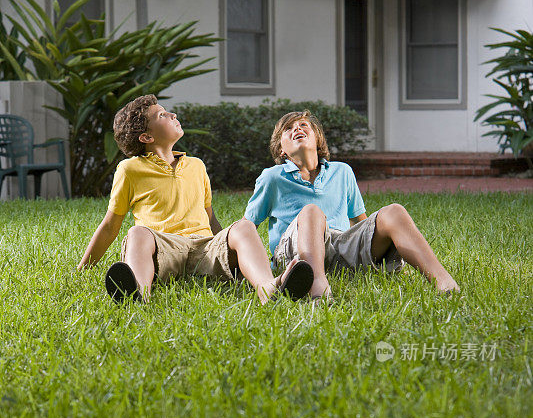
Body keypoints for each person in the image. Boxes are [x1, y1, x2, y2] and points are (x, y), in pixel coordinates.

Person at [78, 95, 314, 304]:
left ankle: (268, 288)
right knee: (137, 233)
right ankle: (138, 293)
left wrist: (229, 243)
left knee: (242, 227)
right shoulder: (130, 169)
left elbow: (210, 217)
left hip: (204, 248)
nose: (173, 114)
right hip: (164, 249)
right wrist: (84, 268)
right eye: (162, 114)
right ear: (146, 136)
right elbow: (111, 225)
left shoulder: (196, 166)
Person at [244, 110, 460, 300]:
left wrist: (385, 244)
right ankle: (317, 286)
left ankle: (444, 283)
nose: (296, 129)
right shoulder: (272, 178)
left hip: (341, 249)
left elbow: (362, 223)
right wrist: (258, 270)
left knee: (393, 212)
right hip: (296, 256)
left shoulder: (342, 172)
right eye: (288, 129)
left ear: (317, 139)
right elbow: (247, 228)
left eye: (303, 125)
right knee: (311, 211)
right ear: (281, 150)